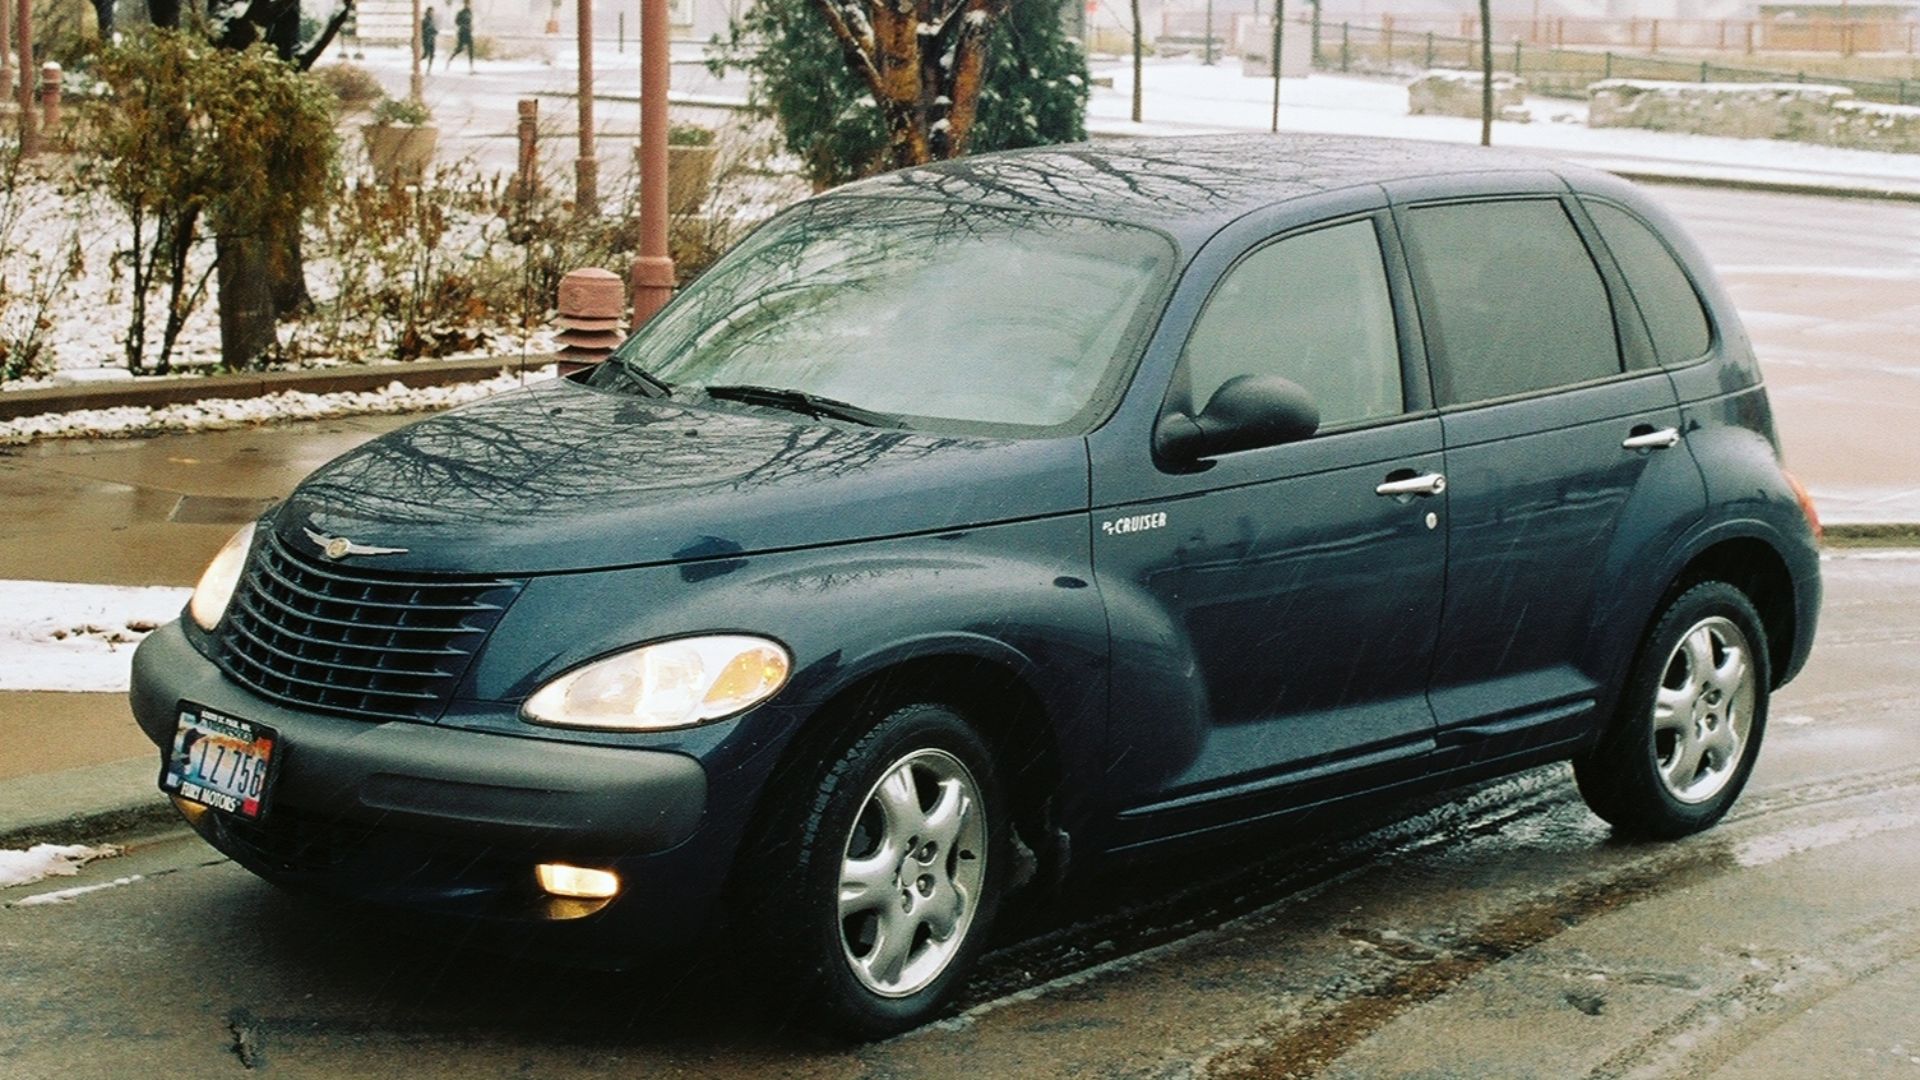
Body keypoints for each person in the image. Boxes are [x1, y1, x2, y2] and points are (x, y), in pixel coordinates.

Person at [448, 0, 476, 72]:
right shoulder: (461, 12)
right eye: (467, 3)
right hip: (462, 32)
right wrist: (463, 25)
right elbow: (457, 22)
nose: (468, 5)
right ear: (464, 4)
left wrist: (471, 26)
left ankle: (471, 67)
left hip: (468, 32)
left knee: (471, 49)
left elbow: (470, 21)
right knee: (459, 49)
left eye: (469, 3)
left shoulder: (470, 12)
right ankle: (450, 60)